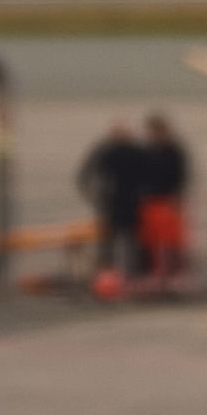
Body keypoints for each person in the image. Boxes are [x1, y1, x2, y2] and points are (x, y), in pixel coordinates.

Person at [76, 119, 150, 293]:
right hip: (117, 204)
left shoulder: (117, 151)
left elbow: (85, 174)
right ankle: (112, 279)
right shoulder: (113, 151)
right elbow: (85, 175)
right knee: (114, 243)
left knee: (127, 243)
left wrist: (94, 196)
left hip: (125, 204)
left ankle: (125, 277)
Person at [134, 110, 193, 292]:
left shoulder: (174, 150)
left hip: (168, 200)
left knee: (173, 241)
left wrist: (177, 196)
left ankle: (175, 275)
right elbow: (140, 175)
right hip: (150, 201)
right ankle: (151, 275)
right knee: (149, 241)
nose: (155, 134)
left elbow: (181, 175)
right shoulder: (146, 151)